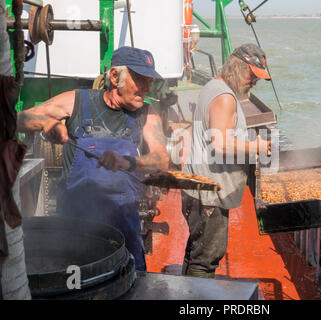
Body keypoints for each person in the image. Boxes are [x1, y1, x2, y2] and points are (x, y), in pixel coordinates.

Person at [17, 46, 170, 271]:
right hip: (75, 225)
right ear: (115, 76)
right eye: (140, 79)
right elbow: (19, 119)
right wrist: (45, 123)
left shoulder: (147, 114)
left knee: (132, 283)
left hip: (124, 225)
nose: (147, 88)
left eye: (150, 81)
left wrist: (128, 162)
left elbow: (161, 159)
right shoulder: (77, 101)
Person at [181, 43, 272, 278]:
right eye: (252, 75)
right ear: (236, 66)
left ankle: (186, 293)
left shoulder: (213, 86)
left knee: (196, 251)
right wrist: (257, 147)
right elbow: (220, 144)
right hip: (208, 192)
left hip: (198, 186)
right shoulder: (225, 98)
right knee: (205, 260)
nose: (254, 81)